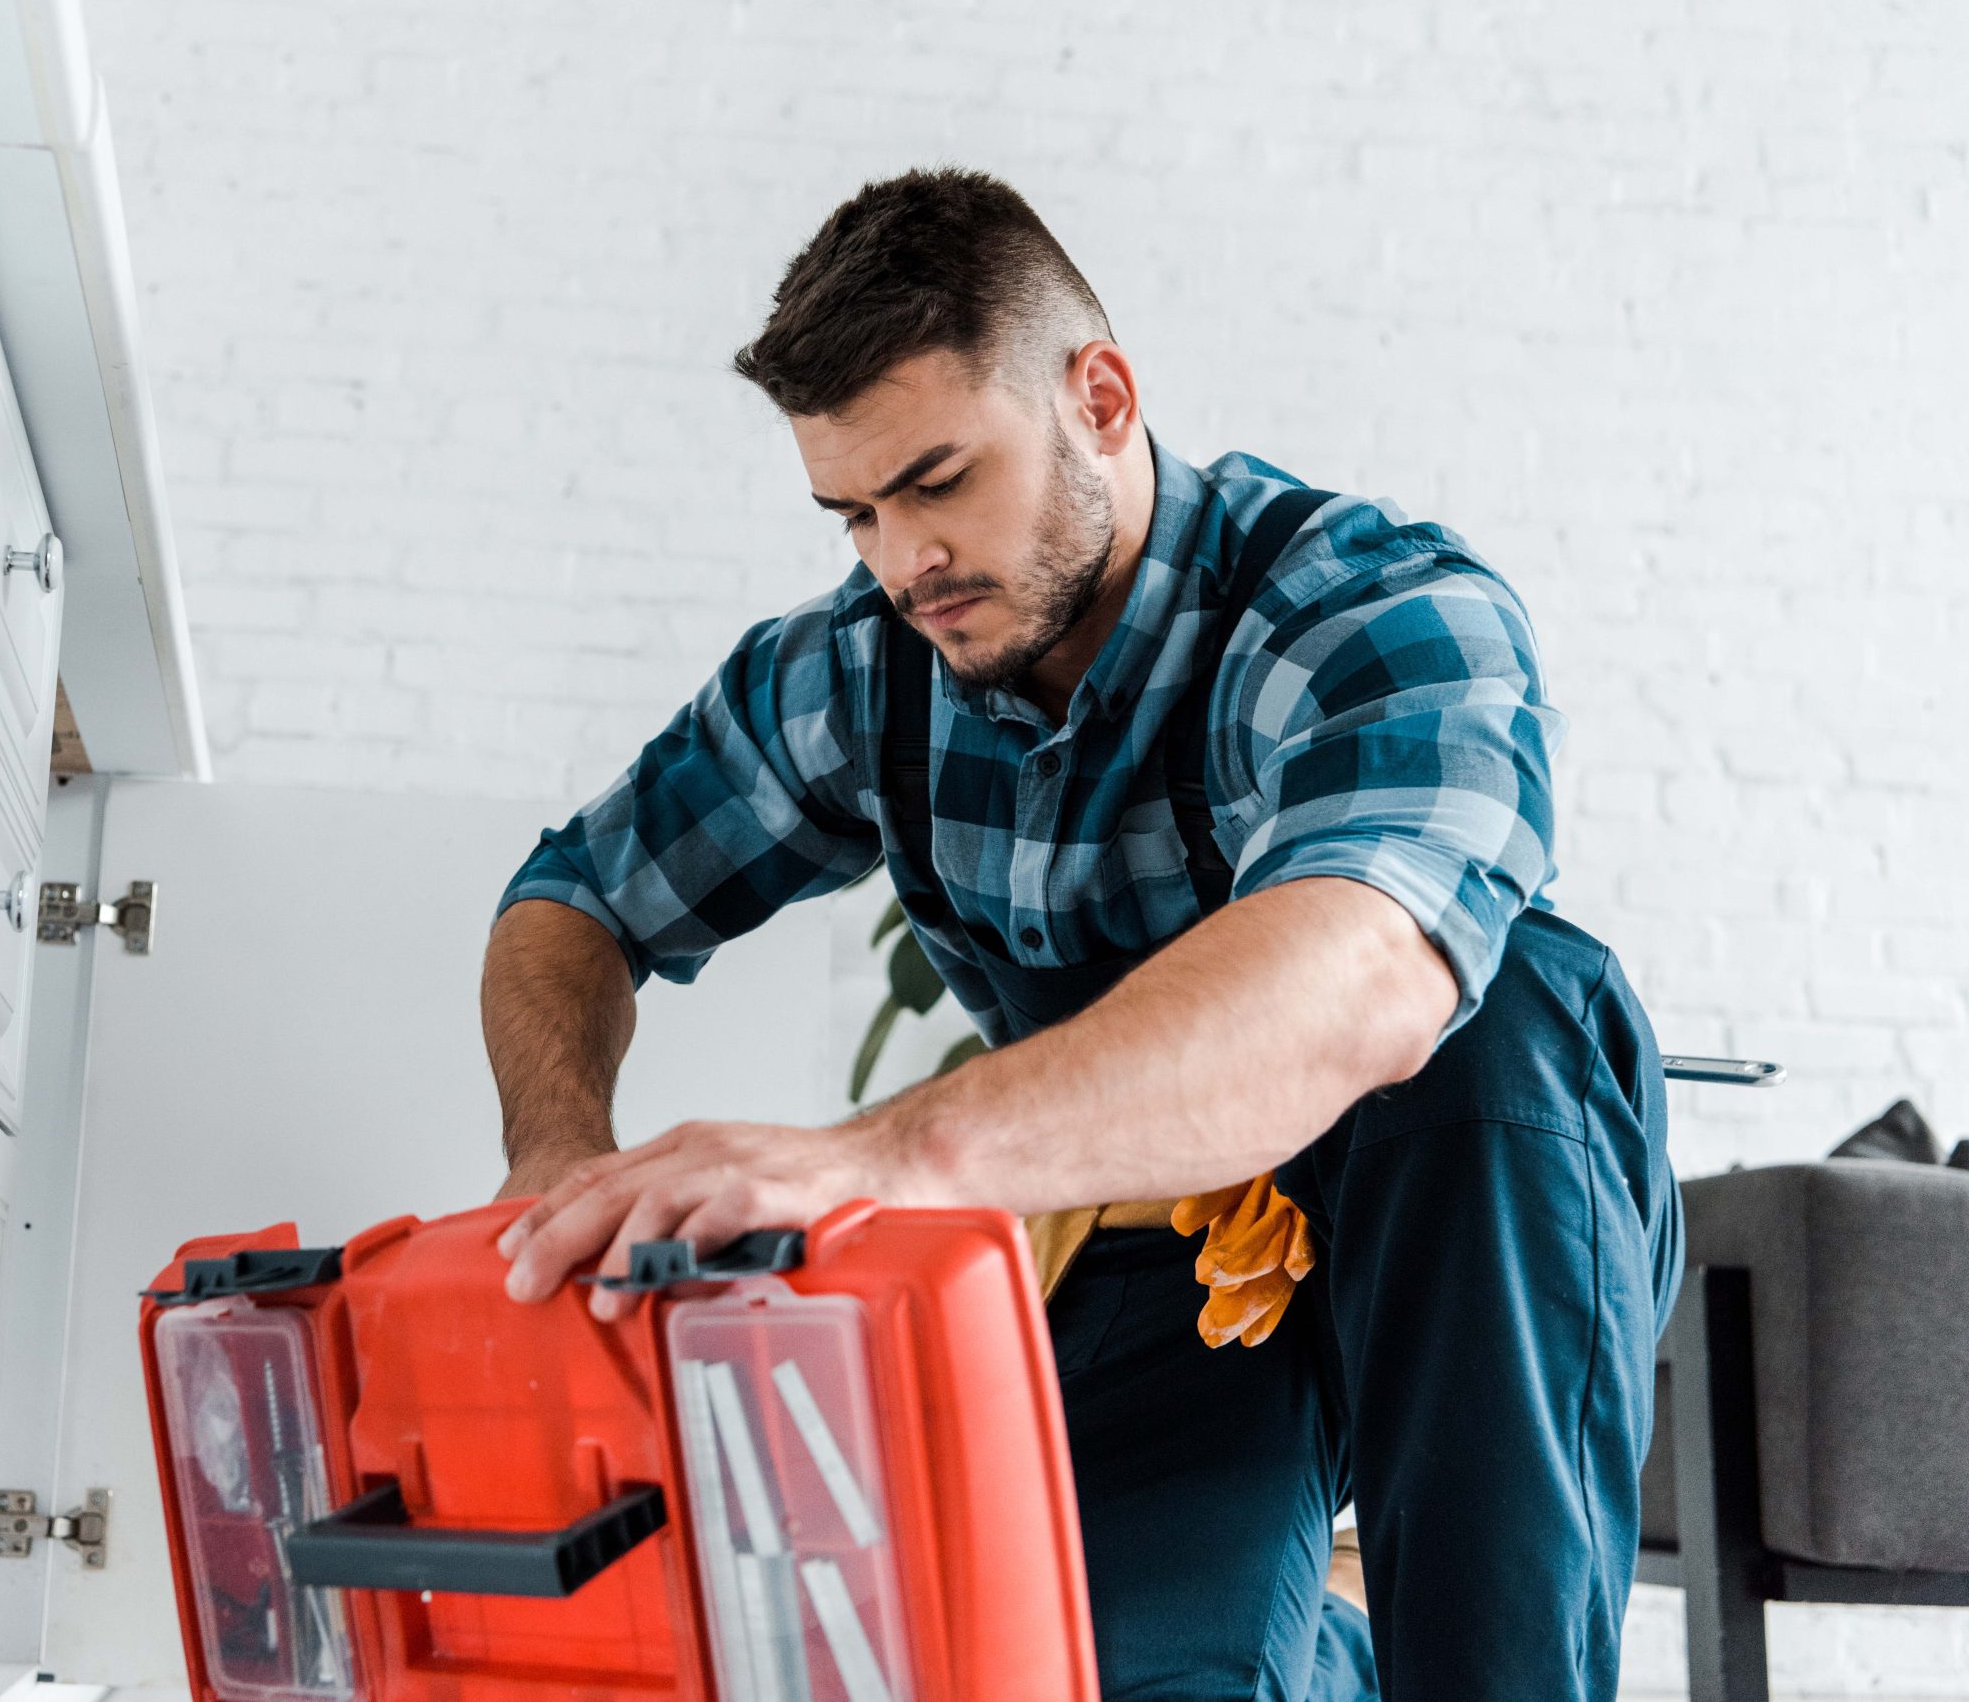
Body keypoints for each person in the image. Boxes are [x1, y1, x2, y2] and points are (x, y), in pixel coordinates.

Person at [478, 167, 1679, 1702]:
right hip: (1153, 1216)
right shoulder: (859, 675)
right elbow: (570, 900)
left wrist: (885, 1156)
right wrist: (557, 1142)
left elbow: (1367, 974)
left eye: (937, 479)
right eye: (853, 512)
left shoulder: (1368, 611)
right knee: (1119, 1674)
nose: (901, 559)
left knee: (1507, 1027)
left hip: (1452, 1183)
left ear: (1099, 398)